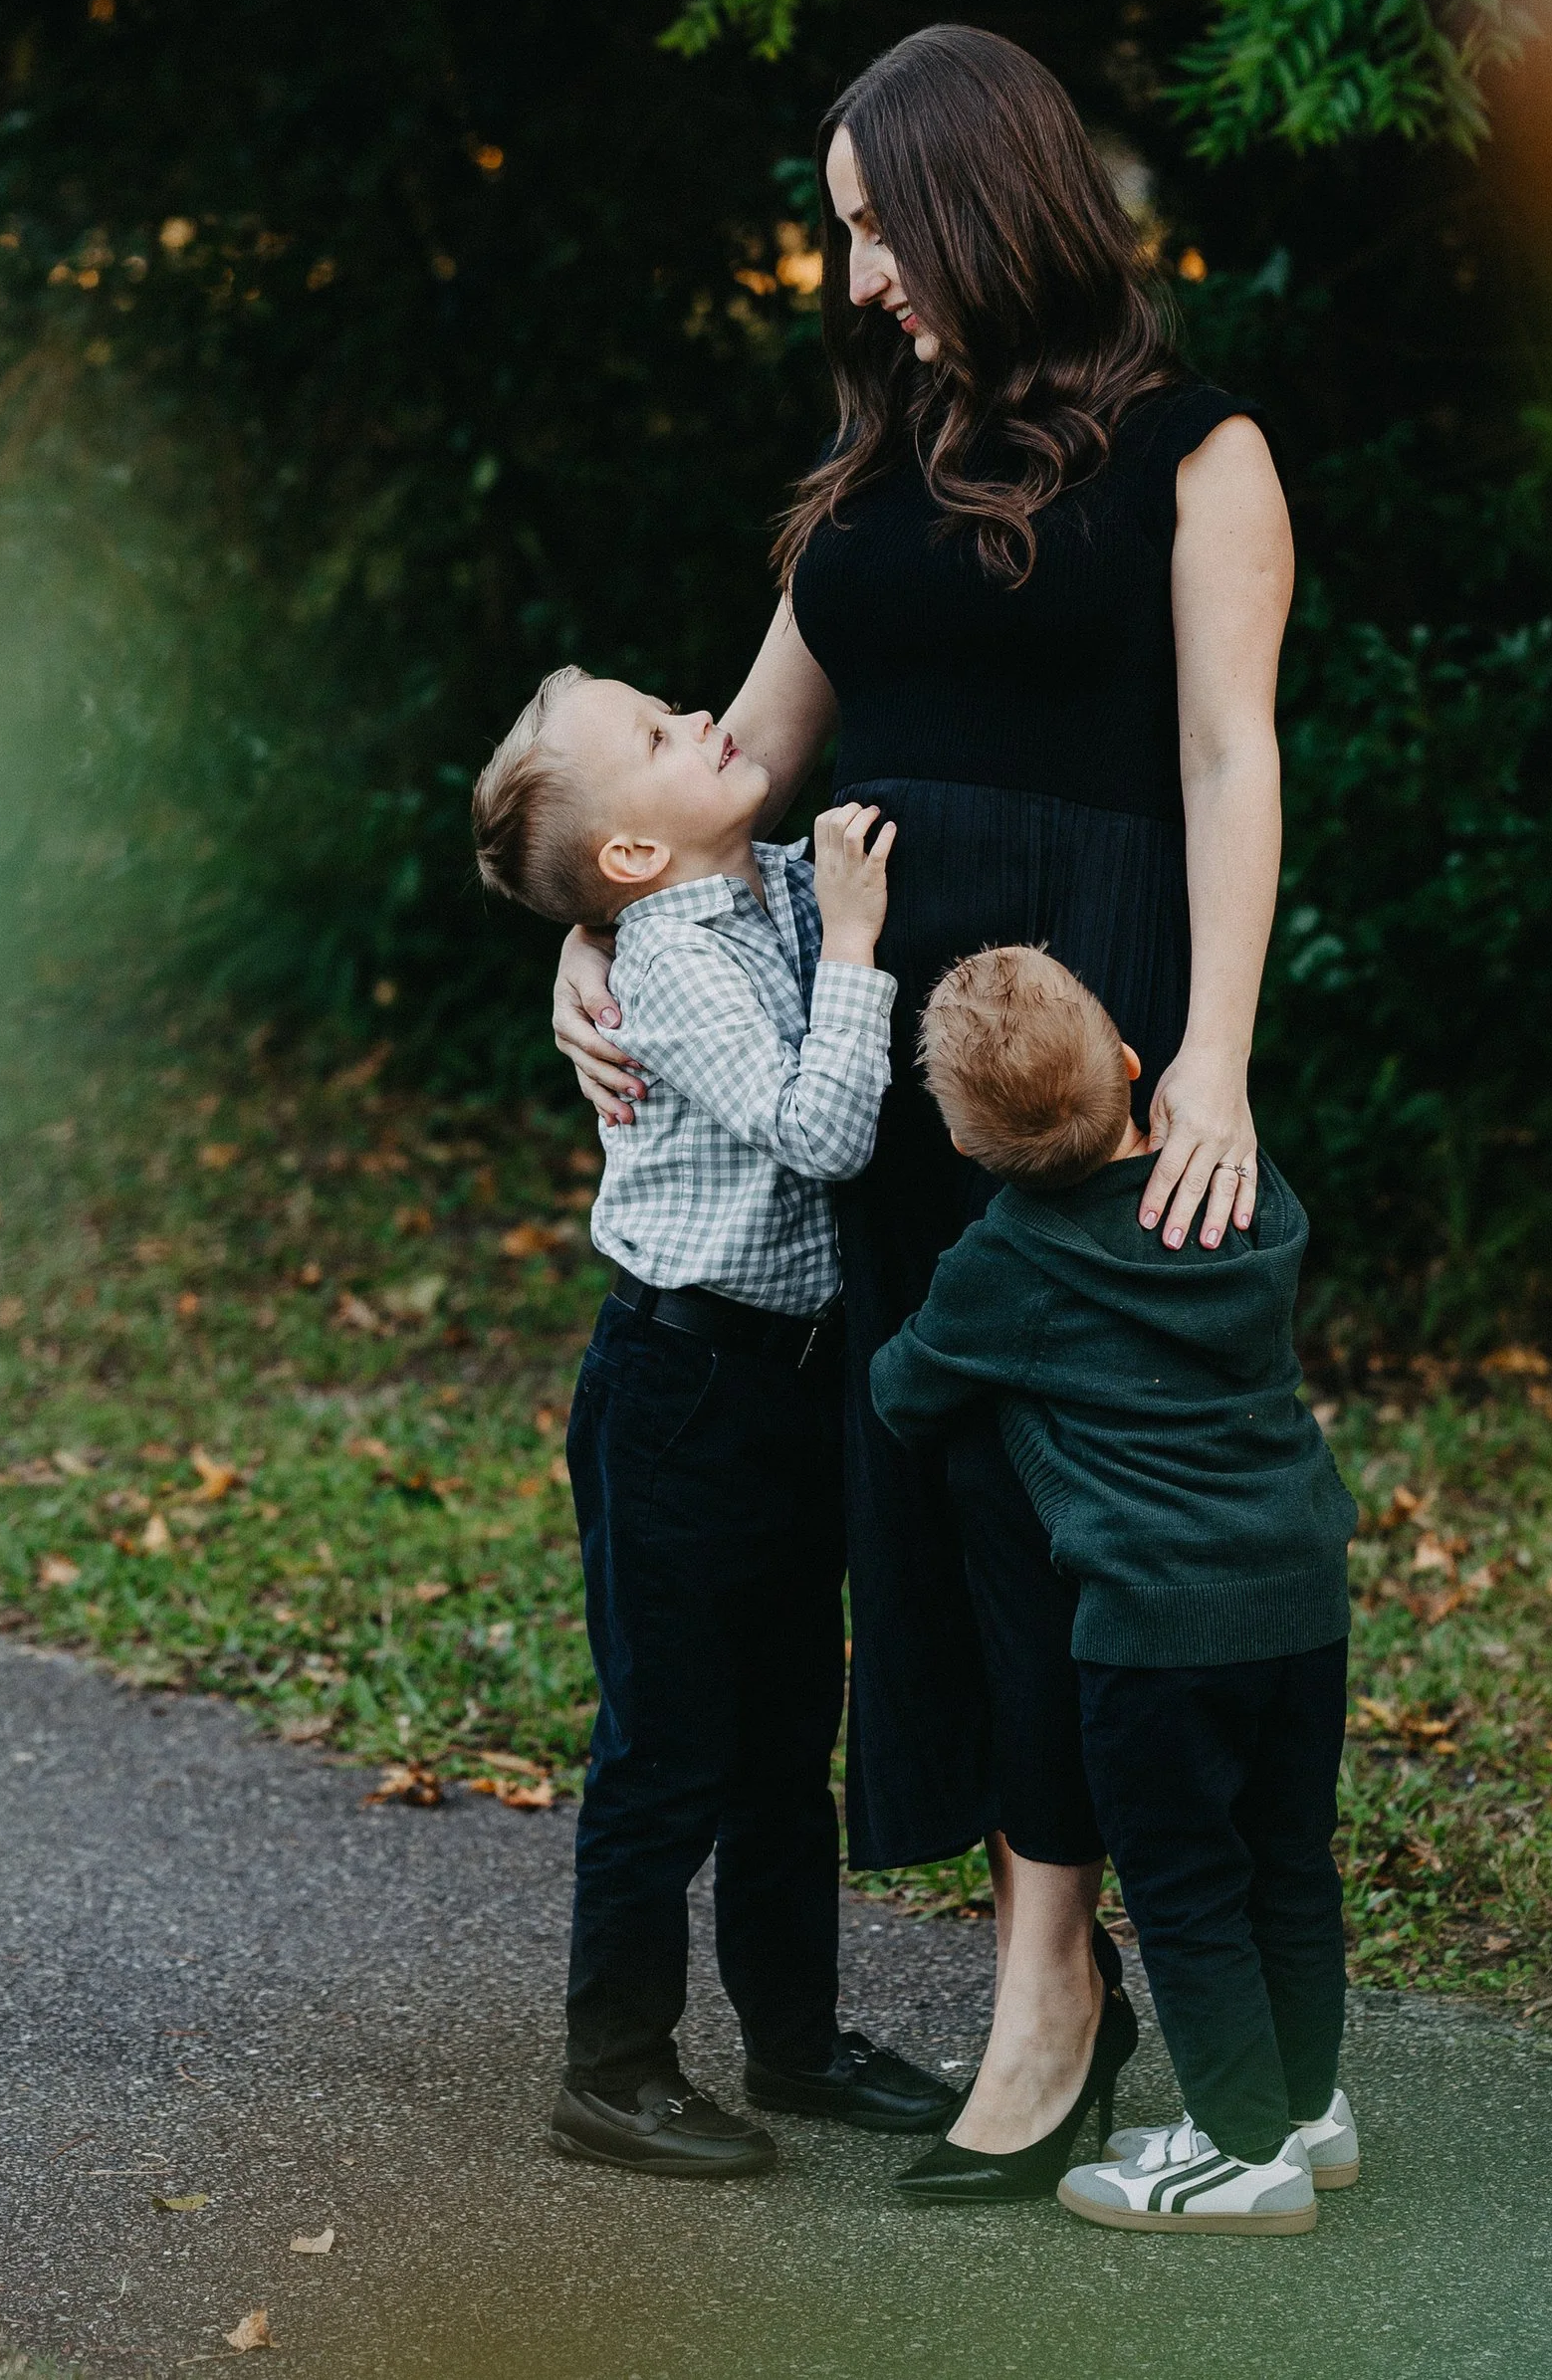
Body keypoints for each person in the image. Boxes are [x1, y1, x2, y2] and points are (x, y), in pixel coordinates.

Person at [554, 24, 1293, 2200]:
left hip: (1084, 1057)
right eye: (848, 236)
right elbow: (725, 770)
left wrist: (1216, 1057)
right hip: (875, 1072)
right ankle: (1044, 1975)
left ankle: (1054, 1994)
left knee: (1065, 1520)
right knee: (937, 1521)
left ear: (985, 195)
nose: (861, 276)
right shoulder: (878, 474)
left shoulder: (1199, 451)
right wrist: (582, 949)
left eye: (881, 225)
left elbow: (1229, 762)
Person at [471, 666, 956, 2175]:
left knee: (785, 1738)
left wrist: (822, 909)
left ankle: (794, 2041)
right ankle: (612, 2069)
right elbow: (822, 1133)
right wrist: (860, 946)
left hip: (790, 1385)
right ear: (632, 853)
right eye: (658, 732)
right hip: (679, 1393)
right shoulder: (675, 959)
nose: (699, 716)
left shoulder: (760, 887)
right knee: (670, 1743)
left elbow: (810, 897)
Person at [872, 944, 1358, 2235]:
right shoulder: (1244, 1192)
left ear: (968, 1149)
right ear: (1136, 1065)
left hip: (1156, 1628)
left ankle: (1241, 2154)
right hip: (1301, 1593)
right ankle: (1303, 2107)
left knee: (1188, 1889)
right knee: (1289, 1861)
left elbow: (904, 1390)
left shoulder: (1013, 1256)